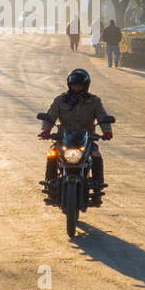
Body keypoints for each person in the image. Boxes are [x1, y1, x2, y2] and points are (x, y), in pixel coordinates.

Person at [39, 68, 114, 201]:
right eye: (74, 85)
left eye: (79, 85)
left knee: (96, 154)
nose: (76, 87)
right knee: (51, 154)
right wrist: (46, 130)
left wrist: (107, 131)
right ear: (69, 85)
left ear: (85, 85)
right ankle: (51, 184)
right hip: (64, 138)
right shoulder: (60, 100)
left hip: (86, 139)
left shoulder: (94, 101)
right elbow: (50, 117)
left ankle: (97, 187)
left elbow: (103, 117)